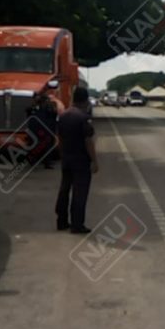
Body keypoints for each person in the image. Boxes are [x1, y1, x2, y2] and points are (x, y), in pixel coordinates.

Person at [55, 87, 98, 234]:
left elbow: (59, 138)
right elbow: (88, 141)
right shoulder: (83, 118)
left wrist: (62, 154)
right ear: (85, 101)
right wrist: (94, 161)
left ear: (73, 98)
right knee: (80, 192)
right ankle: (77, 224)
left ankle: (61, 221)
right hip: (81, 160)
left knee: (64, 189)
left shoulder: (63, 116)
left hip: (66, 158)